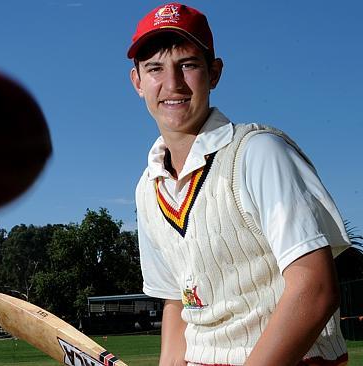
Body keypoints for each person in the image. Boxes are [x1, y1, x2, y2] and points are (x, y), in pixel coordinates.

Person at [128, 3, 351, 366]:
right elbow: (175, 303)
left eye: (188, 64)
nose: (172, 84)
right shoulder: (147, 188)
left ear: (214, 73)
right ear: (137, 82)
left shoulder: (259, 153)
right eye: (155, 69)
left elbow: (315, 288)